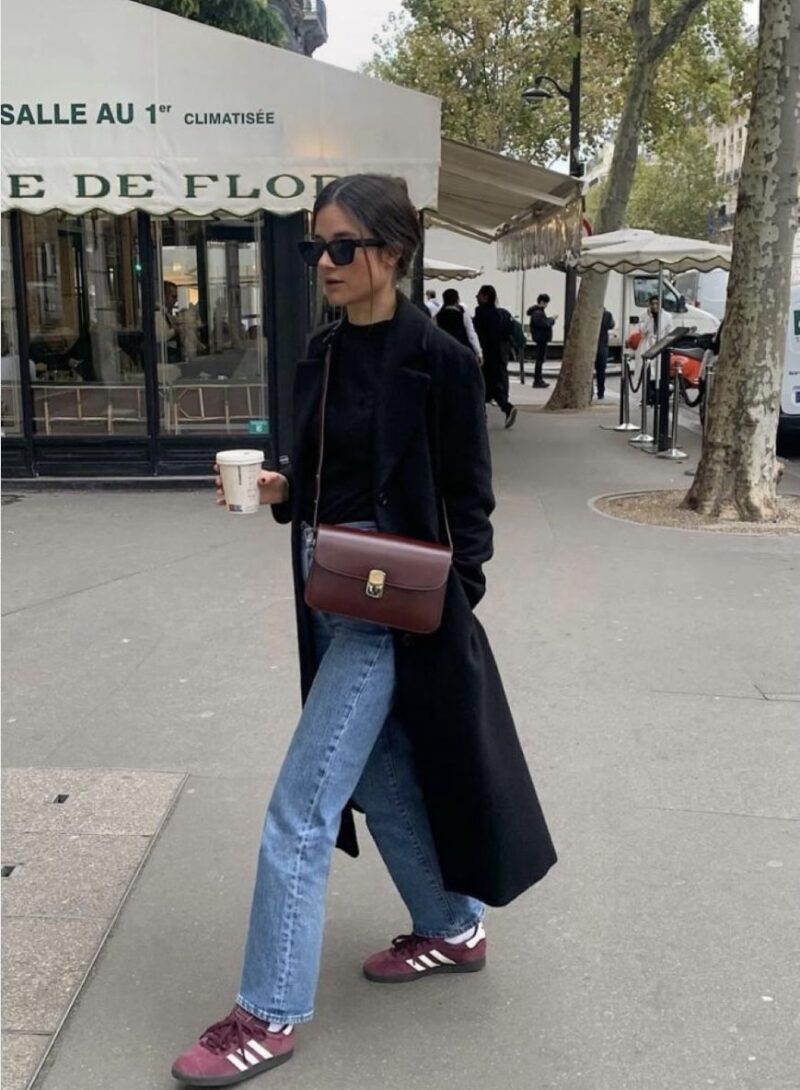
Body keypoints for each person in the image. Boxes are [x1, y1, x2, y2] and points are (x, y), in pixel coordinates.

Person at [171, 175, 556, 1088]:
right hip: (328, 591)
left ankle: (266, 1014)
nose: (325, 264)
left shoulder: (442, 362)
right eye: (316, 248)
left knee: (299, 812)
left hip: (395, 617)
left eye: (341, 247)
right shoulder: (325, 352)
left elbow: (471, 507)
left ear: (392, 251)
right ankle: (452, 927)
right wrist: (279, 492)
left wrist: (443, 597)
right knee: (382, 789)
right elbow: (319, 476)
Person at [473, 285, 518, 428]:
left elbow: (479, 336)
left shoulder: (482, 314)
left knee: (480, 386)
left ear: (486, 297)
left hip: (485, 355)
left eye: (479, 294)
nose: (476, 297)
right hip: (498, 355)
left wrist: (478, 352)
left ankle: (482, 416)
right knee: (493, 386)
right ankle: (507, 407)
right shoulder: (499, 314)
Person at [435, 287, 482, 360]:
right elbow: (471, 335)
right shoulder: (463, 316)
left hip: (443, 351)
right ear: (457, 300)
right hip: (461, 350)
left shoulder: (437, 317)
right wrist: (478, 352)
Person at [526, 294, 556, 388]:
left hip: (540, 338)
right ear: (542, 302)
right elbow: (545, 324)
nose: (547, 305)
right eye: (546, 303)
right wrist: (552, 319)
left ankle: (538, 379)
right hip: (541, 339)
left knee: (540, 360)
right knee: (539, 360)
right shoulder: (538, 313)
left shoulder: (537, 313)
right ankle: (537, 380)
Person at [155, 280, 182, 363]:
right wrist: (176, 330)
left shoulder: (165, 312)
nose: (175, 300)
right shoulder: (157, 313)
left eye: (176, 297)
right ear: (163, 296)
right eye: (173, 297)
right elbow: (160, 336)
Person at [594, 307, 615, 400]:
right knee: (601, 371)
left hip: (591, 344)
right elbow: (611, 325)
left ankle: (589, 392)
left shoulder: (589, 312)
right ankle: (600, 392)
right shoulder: (607, 314)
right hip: (603, 344)